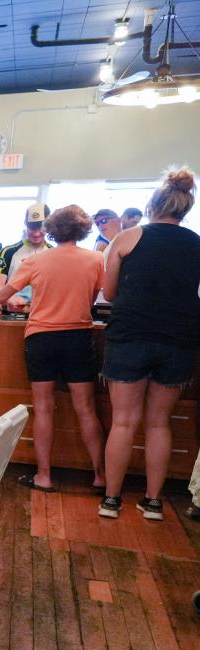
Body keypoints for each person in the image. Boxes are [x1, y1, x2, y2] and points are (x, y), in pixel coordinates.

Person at [98, 167, 200, 521]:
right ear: (184, 208)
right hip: (180, 340)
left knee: (124, 421)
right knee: (160, 423)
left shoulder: (127, 239)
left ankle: (111, 500)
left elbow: (109, 293)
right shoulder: (196, 244)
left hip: (130, 337)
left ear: (152, 206)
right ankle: (153, 502)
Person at [0, 205, 106, 493]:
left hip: (41, 337)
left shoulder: (36, 261)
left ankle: (44, 476)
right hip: (78, 336)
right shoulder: (95, 259)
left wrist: (17, 302)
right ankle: (100, 476)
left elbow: (2, 296)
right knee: (86, 408)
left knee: (43, 408)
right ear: (83, 229)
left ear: (52, 230)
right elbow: (95, 299)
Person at [0, 203, 53, 312]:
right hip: (12, 314)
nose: (36, 233)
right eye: (32, 228)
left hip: (43, 315)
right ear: (25, 224)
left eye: (40, 228)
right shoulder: (8, 252)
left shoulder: (54, 253)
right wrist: (9, 298)